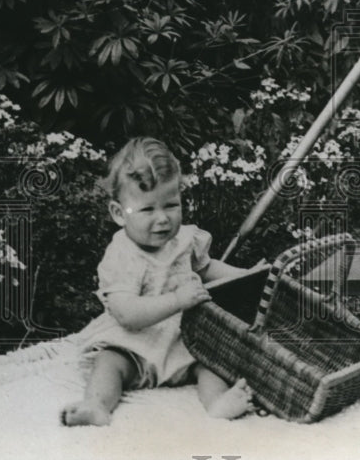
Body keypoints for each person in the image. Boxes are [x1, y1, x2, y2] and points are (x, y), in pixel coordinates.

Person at [61, 137, 260, 425]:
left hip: (184, 341)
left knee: (213, 361)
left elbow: (206, 268)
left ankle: (217, 402)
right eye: (147, 210)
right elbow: (127, 314)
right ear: (119, 213)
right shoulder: (122, 255)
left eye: (170, 205)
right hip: (134, 345)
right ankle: (97, 405)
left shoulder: (184, 240)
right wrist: (178, 300)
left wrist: (245, 276)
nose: (163, 219)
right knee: (109, 364)